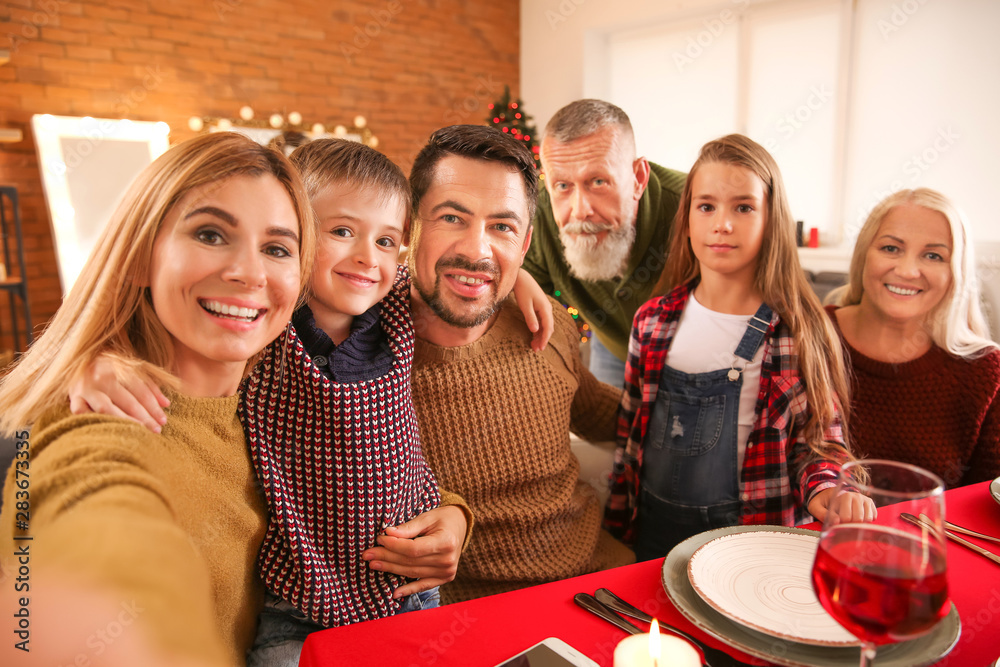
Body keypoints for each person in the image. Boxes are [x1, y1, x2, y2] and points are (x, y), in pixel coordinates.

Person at [0, 132, 315, 667]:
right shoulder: (99, 412)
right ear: (140, 257)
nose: (249, 272)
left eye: (277, 248)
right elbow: (100, 526)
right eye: (211, 234)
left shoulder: (279, 402)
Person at [603, 134, 875, 561]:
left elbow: (821, 442)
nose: (722, 224)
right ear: (687, 217)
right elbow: (628, 440)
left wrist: (830, 488)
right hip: (653, 536)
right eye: (706, 206)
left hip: (751, 546)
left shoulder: (797, 330)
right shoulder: (651, 322)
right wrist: (615, 528)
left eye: (743, 207)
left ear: (771, 220)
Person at [404, 124, 634, 603]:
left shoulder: (545, 326)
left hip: (601, 585)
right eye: (451, 218)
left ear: (525, 245)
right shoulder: (363, 357)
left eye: (501, 227)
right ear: (409, 226)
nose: (477, 250)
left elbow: (596, 410)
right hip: (471, 618)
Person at [826, 188, 1000, 488]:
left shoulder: (985, 371)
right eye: (891, 248)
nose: (907, 270)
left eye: (933, 255)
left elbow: (986, 502)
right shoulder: (807, 337)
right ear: (863, 254)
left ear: (955, 272)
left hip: (928, 535)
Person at [523, 99, 687, 385]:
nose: (579, 210)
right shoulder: (536, 218)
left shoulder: (696, 206)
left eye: (598, 182)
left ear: (638, 178)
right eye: (562, 186)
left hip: (690, 358)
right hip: (613, 349)